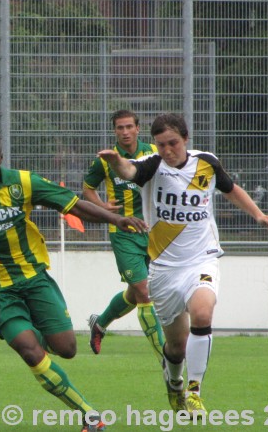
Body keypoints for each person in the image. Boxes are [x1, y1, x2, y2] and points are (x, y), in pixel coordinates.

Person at [0, 132, 148, 432]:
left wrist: (115, 220)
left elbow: (74, 205)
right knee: (29, 350)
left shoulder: (22, 183)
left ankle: (34, 333)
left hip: (34, 278)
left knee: (67, 349)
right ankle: (89, 415)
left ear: (0, 158)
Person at [97, 113, 268, 418]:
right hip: (164, 269)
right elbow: (129, 170)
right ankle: (174, 380)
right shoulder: (153, 165)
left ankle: (194, 390)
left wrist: (258, 215)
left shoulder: (207, 163)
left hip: (201, 258)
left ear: (185, 139)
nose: (167, 150)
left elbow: (230, 188)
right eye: (161, 145)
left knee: (203, 311)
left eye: (172, 143)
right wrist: (116, 161)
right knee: (176, 348)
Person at [82, 109, 164, 361]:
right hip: (124, 233)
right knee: (142, 289)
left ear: (138, 129)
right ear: (115, 130)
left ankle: (100, 323)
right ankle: (166, 355)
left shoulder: (154, 153)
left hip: (156, 232)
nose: (125, 132)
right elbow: (88, 188)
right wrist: (102, 206)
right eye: (120, 128)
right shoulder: (106, 160)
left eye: (129, 127)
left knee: (135, 291)